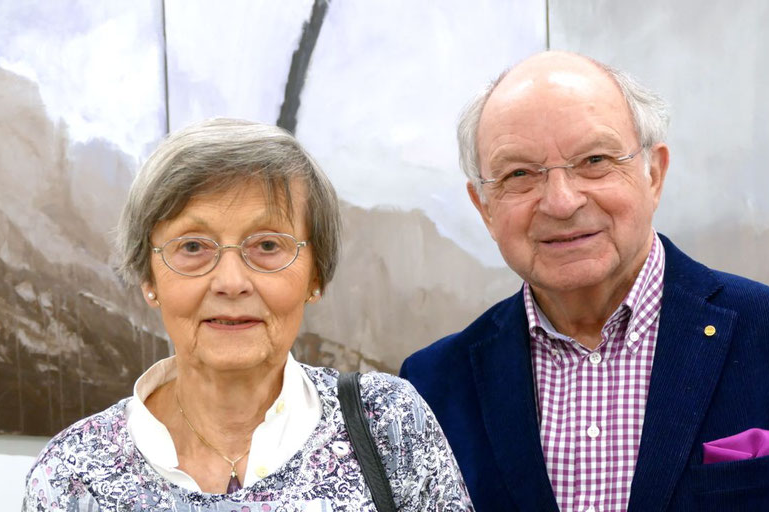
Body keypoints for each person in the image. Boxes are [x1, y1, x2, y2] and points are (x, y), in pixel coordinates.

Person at [400, 51, 769, 511]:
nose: (561, 202)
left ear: (654, 173)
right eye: (520, 174)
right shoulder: (431, 388)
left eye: (594, 161)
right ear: (483, 206)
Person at [24, 119, 472, 511]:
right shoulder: (73, 474)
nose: (231, 281)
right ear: (149, 278)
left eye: (268, 245)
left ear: (316, 274)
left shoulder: (387, 423)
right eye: (194, 247)